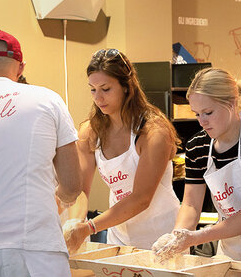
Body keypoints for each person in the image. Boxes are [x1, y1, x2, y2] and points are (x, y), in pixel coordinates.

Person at [152, 67, 241, 260]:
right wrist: (178, 235)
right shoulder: (198, 146)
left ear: (232, 103)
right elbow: (190, 205)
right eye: (197, 114)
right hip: (232, 251)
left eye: (208, 112)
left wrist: (196, 237)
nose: (202, 122)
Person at [0, 30, 82, 276]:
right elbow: (73, 185)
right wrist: (60, 198)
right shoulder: (47, 100)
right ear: (20, 68)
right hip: (36, 251)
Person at [64, 49, 180, 252]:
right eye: (92, 89)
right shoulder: (90, 131)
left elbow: (141, 198)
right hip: (118, 234)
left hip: (160, 234)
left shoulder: (153, 131)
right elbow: (81, 190)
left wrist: (89, 228)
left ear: (127, 87)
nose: (98, 98)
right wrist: (74, 224)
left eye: (106, 89)